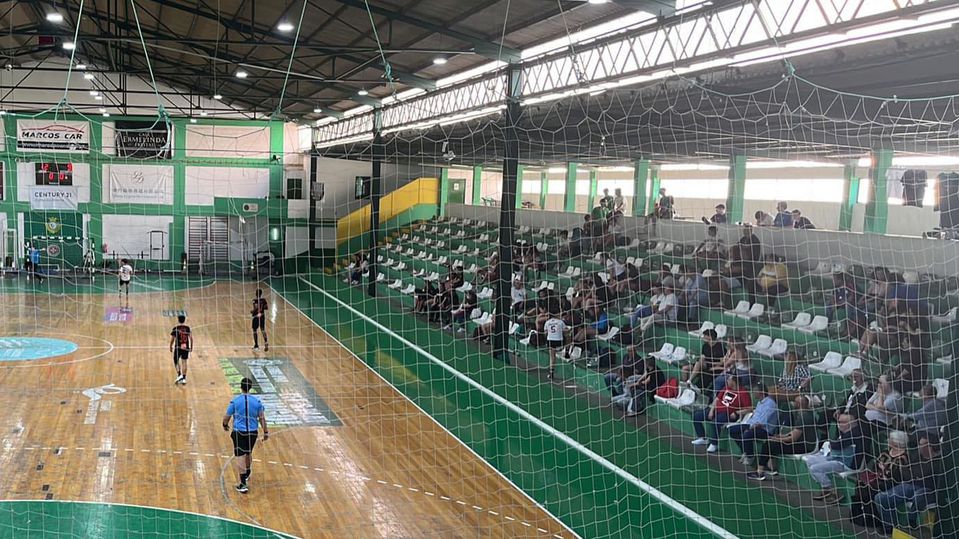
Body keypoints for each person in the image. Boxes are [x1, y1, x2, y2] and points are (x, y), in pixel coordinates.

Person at [874, 435, 942, 533]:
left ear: (929, 447)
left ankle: (911, 521)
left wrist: (910, 471)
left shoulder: (939, 461)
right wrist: (906, 468)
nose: (919, 446)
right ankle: (889, 527)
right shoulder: (917, 456)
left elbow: (920, 473)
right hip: (911, 485)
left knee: (920, 495)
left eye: (921, 444)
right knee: (880, 498)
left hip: (929, 490)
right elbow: (908, 476)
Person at [747, 395, 818, 481]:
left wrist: (777, 439)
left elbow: (792, 439)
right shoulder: (807, 414)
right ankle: (771, 468)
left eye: (794, 402)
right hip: (803, 443)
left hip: (804, 447)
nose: (792, 404)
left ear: (798, 404)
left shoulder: (803, 417)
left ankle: (759, 472)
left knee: (769, 444)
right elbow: (794, 433)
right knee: (771, 442)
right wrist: (781, 436)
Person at [849, 430, 910, 528]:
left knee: (871, 489)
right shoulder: (885, 452)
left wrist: (883, 470)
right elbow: (875, 465)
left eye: (890, 439)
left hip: (891, 483)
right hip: (878, 477)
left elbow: (896, 476)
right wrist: (880, 469)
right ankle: (858, 515)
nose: (888, 440)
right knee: (861, 483)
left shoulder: (903, 458)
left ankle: (872, 519)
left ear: (895, 442)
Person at [222, 377, 269, 493]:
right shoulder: (257, 402)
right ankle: (247, 471)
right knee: (248, 452)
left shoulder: (235, 401)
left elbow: (227, 416)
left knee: (240, 456)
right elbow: (262, 418)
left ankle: (243, 483)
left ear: (241, 387)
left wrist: (225, 424)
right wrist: (266, 431)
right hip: (252, 433)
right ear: (250, 387)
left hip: (239, 432)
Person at [807, 414, 867, 504]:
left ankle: (832, 491)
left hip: (846, 464)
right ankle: (825, 489)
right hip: (836, 458)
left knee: (815, 468)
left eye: (841, 422)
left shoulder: (854, 434)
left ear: (849, 423)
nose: (838, 424)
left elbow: (836, 446)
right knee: (810, 460)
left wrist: (832, 443)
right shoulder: (846, 432)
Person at [691, 375, 752, 453]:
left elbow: (750, 408)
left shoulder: (743, 392)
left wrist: (737, 412)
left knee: (716, 422)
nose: (727, 381)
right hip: (716, 409)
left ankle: (714, 444)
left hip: (728, 413)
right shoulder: (726, 388)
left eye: (728, 380)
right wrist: (711, 410)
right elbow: (717, 399)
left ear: (734, 382)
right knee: (696, 416)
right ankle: (702, 438)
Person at [728, 386, 779, 464]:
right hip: (752, 424)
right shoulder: (760, 402)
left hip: (765, 430)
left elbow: (761, 423)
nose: (753, 393)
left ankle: (750, 457)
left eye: (755, 392)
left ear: (761, 393)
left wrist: (750, 428)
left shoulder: (770, 404)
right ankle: (745, 452)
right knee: (732, 430)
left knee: (747, 434)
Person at [738, 225, 762, 303]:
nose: (744, 232)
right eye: (744, 231)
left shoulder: (755, 240)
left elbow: (755, 255)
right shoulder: (743, 239)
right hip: (743, 263)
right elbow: (737, 245)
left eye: (746, 231)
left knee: (750, 283)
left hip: (752, 265)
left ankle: (752, 302)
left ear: (750, 231)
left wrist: (745, 252)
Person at [169, 314, 193, 385]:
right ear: (184, 319)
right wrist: (191, 347)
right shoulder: (187, 328)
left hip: (178, 347)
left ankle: (179, 375)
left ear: (178, 319)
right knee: (184, 362)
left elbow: (172, 339)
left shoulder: (175, 328)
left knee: (176, 360)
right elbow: (191, 338)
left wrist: (170, 346)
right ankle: (184, 378)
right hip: (186, 347)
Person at [543, 309, 566, 380]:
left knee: (552, 357)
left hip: (550, 341)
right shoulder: (560, 322)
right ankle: (565, 349)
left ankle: (551, 373)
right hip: (559, 341)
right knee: (568, 337)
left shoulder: (547, 322)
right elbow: (565, 331)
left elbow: (545, 333)